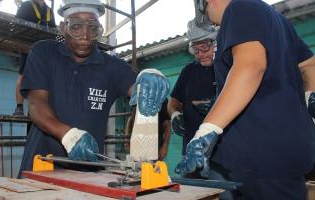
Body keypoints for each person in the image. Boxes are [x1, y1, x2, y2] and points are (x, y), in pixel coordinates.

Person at [175, 0, 315, 199]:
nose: (215, 25)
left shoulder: (240, 8)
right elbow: (309, 64)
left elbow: (251, 66)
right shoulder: (277, 20)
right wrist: (311, 96)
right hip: (285, 148)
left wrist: (206, 131)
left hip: (263, 153)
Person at [18, 0, 169, 176]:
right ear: (62, 27)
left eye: (93, 28)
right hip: (40, 167)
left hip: (87, 174)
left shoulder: (112, 67)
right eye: (76, 26)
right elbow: (37, 106)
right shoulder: (44, 53)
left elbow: (137, 90)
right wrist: (68, 135)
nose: (85, 35)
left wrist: (147, 80)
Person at [168, 19, 217, 157]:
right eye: (196, 50)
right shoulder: (188, 71)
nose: (200, 54)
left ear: (215, 43)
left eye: (204, 47)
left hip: (222, 153)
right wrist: (175, 115)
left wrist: (218, 104)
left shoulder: (227, 68)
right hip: (191, 151)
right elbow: (173, 103)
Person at [13, 0, 56, 115]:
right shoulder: (26, 5)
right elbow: (17, 24)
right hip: (28, 45)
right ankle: (19, 107)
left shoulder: (49, 11)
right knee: (23, 75)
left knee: (43, 79)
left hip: (44, 49)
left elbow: (53, 31)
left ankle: (41, 107)